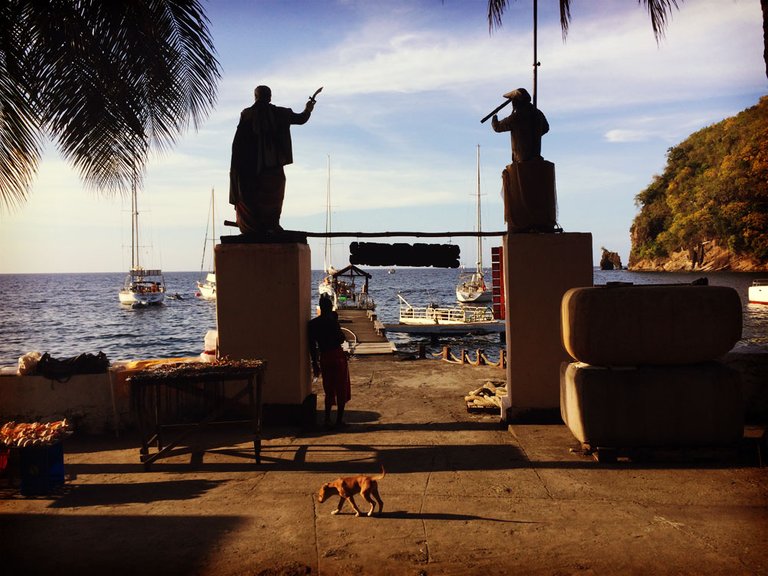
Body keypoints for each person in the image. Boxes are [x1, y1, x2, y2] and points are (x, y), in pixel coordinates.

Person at [229, 85, 315, 235]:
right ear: (270, 97)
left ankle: (256, 226)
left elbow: (238, 144)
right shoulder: (279, 113)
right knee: (274, 194)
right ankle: (271, 225)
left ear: (255, 96)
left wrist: (236, 168)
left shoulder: (247, 114)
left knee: (253, 194)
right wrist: (308, 108)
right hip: (272, 165)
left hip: (250, 166)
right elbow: (301, 118)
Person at [308, 294, 351, 428]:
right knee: (341, 387)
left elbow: (312, 346)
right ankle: (339, 420)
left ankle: (327, 418)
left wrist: (314, 362)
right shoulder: (332, 321)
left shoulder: (313, 324)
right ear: (330, 307)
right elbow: (341, 339)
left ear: (320, 308)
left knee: (329, 388)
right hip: (337, 355)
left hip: (324, 356)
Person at [491, 88, 549, 163]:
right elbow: (546, 128)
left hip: (521, 159)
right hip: (536, 157)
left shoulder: (517, 117)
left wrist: (494, 116)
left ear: (516, 102)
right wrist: (533, 136)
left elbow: (497, 127)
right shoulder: (538, 113)